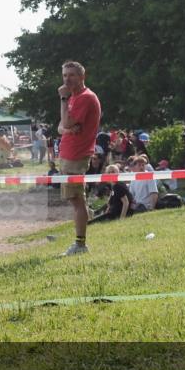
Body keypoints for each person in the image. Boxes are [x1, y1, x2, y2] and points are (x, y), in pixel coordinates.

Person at [57, 60, 101, 256]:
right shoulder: (74, 97)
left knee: (76, 200)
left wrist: (63, 100)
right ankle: (86, 216)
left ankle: (80, 244)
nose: (67, 79)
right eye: (65, 75)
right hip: (68, 154)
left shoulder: (83, 98)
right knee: (76, 200)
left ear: (82, 77)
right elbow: (60, 126)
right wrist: (66, 126)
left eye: (72, 75)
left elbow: (65, 122)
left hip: (76, 155)